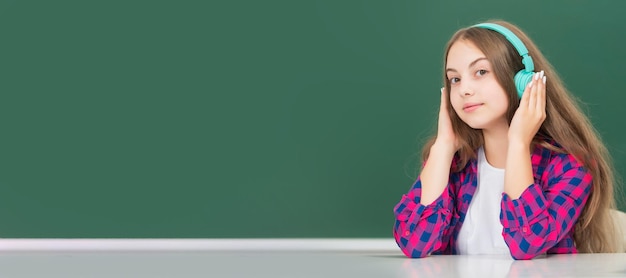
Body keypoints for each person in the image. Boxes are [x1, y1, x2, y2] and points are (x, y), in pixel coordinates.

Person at [393, 20, 622, 260]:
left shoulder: (570, 164)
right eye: (455, 79)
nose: (464, 90)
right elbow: (415, 244)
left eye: (481, 72)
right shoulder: (452, 162)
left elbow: (528, 244)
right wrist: (443, 147)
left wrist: (519, 144)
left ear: (522, 81)